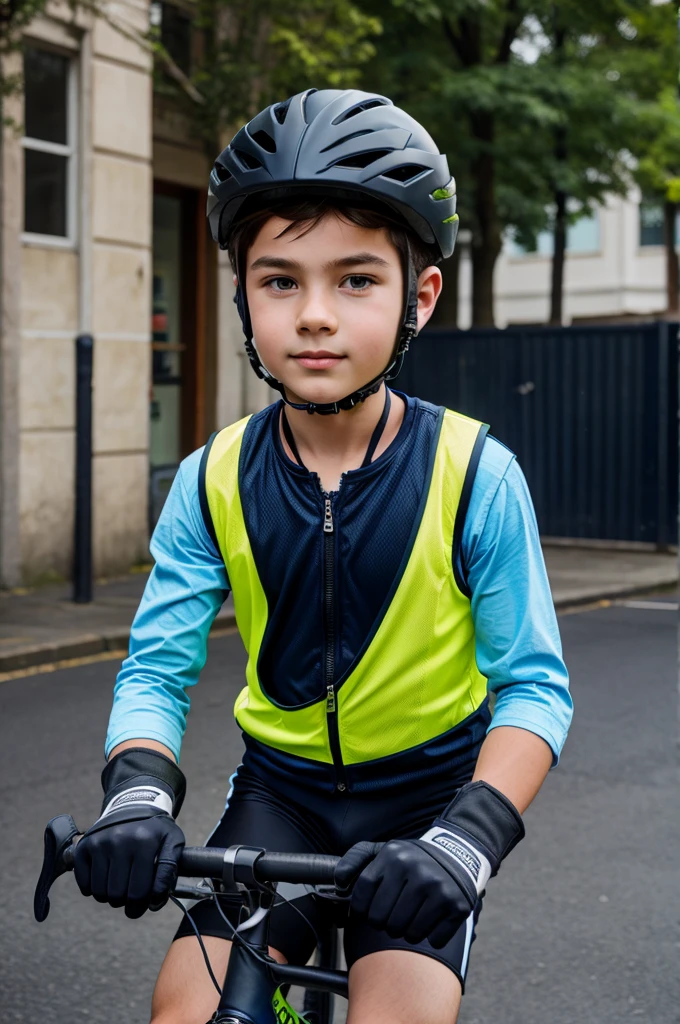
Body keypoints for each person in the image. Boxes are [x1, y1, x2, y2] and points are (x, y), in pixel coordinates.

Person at [73, 88, 573, 1024]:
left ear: (418, 294)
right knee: (187, 1015)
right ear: (241, 295)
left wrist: (465, 841)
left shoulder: (475, 474)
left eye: (355, 279)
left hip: (427, 805)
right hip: (283, 799)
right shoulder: (212, 477)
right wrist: (135, 795)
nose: (313, 316)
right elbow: (157, 667)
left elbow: (536, 691)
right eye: (278, 280)